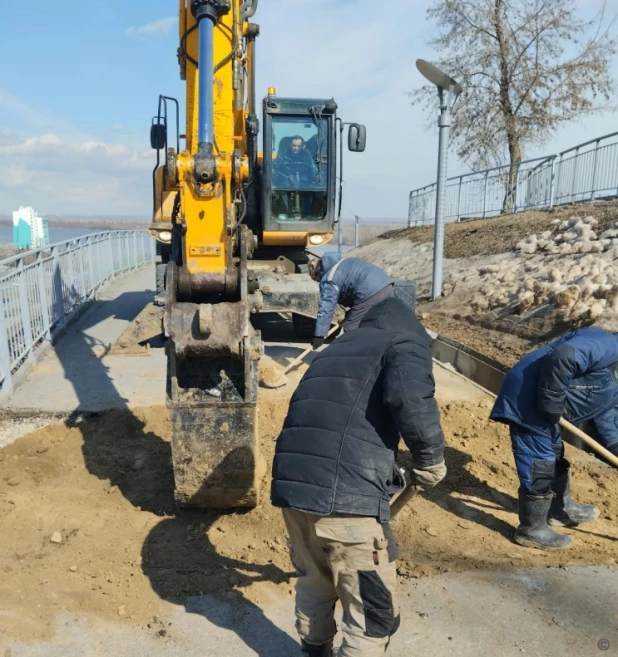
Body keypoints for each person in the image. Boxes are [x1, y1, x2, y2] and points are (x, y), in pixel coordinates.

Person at [271, 296, 447, 657]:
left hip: (293, 488)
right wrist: (430, 459)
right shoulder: (404, 343)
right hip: (345, 498)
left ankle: (314, 651)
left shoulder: (333, 350)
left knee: (316, 580)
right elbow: (410, 398)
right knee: (372, 612)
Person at [489, 326, 618, 551]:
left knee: (555, 454)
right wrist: (550, 404)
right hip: (528, 398)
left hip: (550, 405)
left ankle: (559, 510)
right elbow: (564, 355)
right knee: (540, 461)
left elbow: (605, 413)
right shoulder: (607, 345)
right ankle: (531, 530)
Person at [309, 252, 394, 349]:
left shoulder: (329, 278)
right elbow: (353, 282)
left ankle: (350, 359)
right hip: (386, 285)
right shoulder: (345, 262)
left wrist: (319, 335)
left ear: (316, 273)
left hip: (369, 292)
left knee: (350, 329)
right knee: (373, 324)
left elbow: (326, 306)